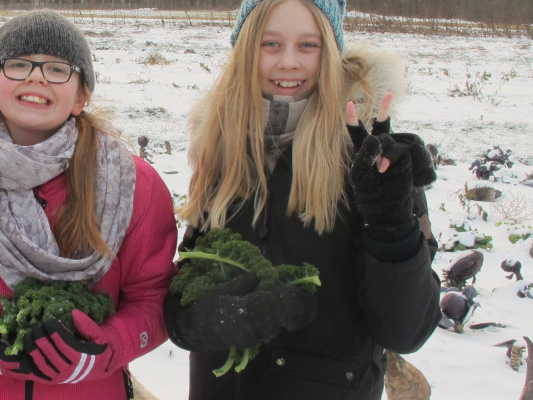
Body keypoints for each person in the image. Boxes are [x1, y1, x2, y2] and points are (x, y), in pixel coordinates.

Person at [165, 0, 442, 398]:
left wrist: (392, 222)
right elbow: (185, 291)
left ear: (330, 51)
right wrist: (203, 321)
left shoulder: (373, 161)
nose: (288, 62)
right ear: (245, 50)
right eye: (270, 44)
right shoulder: (221, 145)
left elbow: (406, 330)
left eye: (307, 46)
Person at [0, 10, 178, 400]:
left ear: (81, 97)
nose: (35, 77)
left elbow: (152, 296)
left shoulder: (134, 184)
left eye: (57, 69)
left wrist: (104, 350)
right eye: (18, 65)